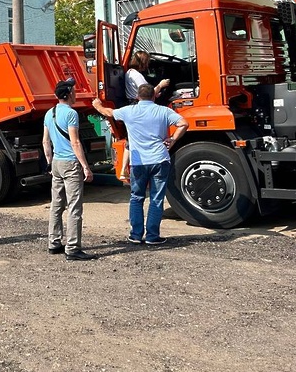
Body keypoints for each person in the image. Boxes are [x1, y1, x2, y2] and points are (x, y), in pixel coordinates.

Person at [92, 84, 188, 245]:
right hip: (160, 159)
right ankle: (152, 236)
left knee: (136, 198)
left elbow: (108, 113)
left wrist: (97, 105)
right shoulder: (164, 111)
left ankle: (136, 235)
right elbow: (183, 123)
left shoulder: (129, 111)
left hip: (138, 162)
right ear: (154, 96)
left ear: (137, 96)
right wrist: (173, 139)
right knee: (156, 199)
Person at [42, 78, 95, 261]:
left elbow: (45, 141)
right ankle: (73, 248)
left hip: (56, 162)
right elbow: (75, 142)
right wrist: (85, 166)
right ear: (68, 94)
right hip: (71, 163)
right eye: (74, 90)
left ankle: (54, 242)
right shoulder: (71, 114)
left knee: (57, 204)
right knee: (74, 206)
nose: (76, 93)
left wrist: (49, 162)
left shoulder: (50, 113)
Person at [120, 50, 170, 180]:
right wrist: (161, 85)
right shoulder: (136, 75)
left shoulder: (130, 74)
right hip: (137, 105)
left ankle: (123, 169)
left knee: (130, 139)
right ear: (142, 62)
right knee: (133, 139)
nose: (148, 65)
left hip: (134, 103)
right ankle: (124, 169)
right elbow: (147, 92)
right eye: (147, 62)